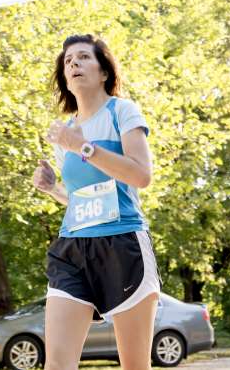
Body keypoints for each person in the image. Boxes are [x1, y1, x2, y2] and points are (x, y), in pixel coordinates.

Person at [32, 34, 161, 370]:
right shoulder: (67, 132)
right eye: (68, 60)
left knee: (134, 365)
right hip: (73, 248)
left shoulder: (122, 111)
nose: (73, 63)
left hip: (122, 243)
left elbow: (140, 176)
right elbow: (83, 199)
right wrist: (52, 189)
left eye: (83, 57)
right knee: (57, 364)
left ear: (103, 72)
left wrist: (84, 148)